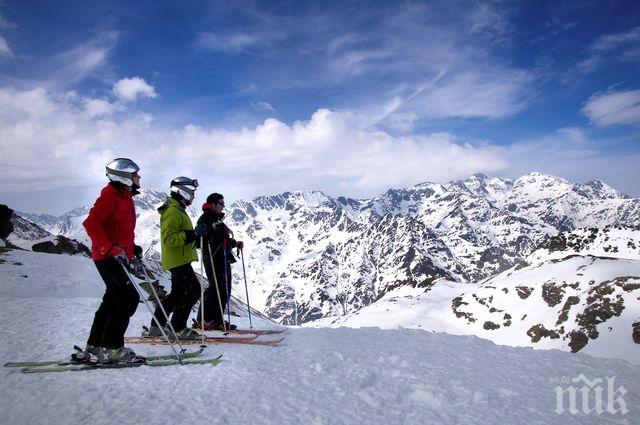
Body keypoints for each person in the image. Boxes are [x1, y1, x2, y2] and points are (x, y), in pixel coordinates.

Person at [77, 158, 145, 364]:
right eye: (135, 175)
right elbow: (91, 223)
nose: (139, 178)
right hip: (108, 257)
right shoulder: (111, 196)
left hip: (111, 255)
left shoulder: (123, 196)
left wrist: (133, 249)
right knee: (127, 298)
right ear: (123, 177)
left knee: (113, 299)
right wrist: (109, 247)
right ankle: (111, 348)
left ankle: (96, 346)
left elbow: (119, 229)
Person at [145, 177, 205, 340]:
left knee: (177, 294)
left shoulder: (176, 209)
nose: (193, 196)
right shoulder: (172, 211)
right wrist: (193, 234)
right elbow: (169, 239)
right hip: (178, 259)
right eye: (192, 193)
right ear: (183, 192)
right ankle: (177, 328)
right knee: (193, 291)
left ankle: (156, 326)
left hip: (178, 258)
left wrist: (195, 236)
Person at [192, 193, 243, 331]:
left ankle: (216, 320)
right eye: (220, 203)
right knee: (215, 288)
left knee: (223, 289)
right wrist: (210, 234)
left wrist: (234, 243)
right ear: (213, 204)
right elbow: (200, 238)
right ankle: (204, 320)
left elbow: (221, 237)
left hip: (221, 255)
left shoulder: (216, 218)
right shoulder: (206, 218)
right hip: (213, 256)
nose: (223, 206)